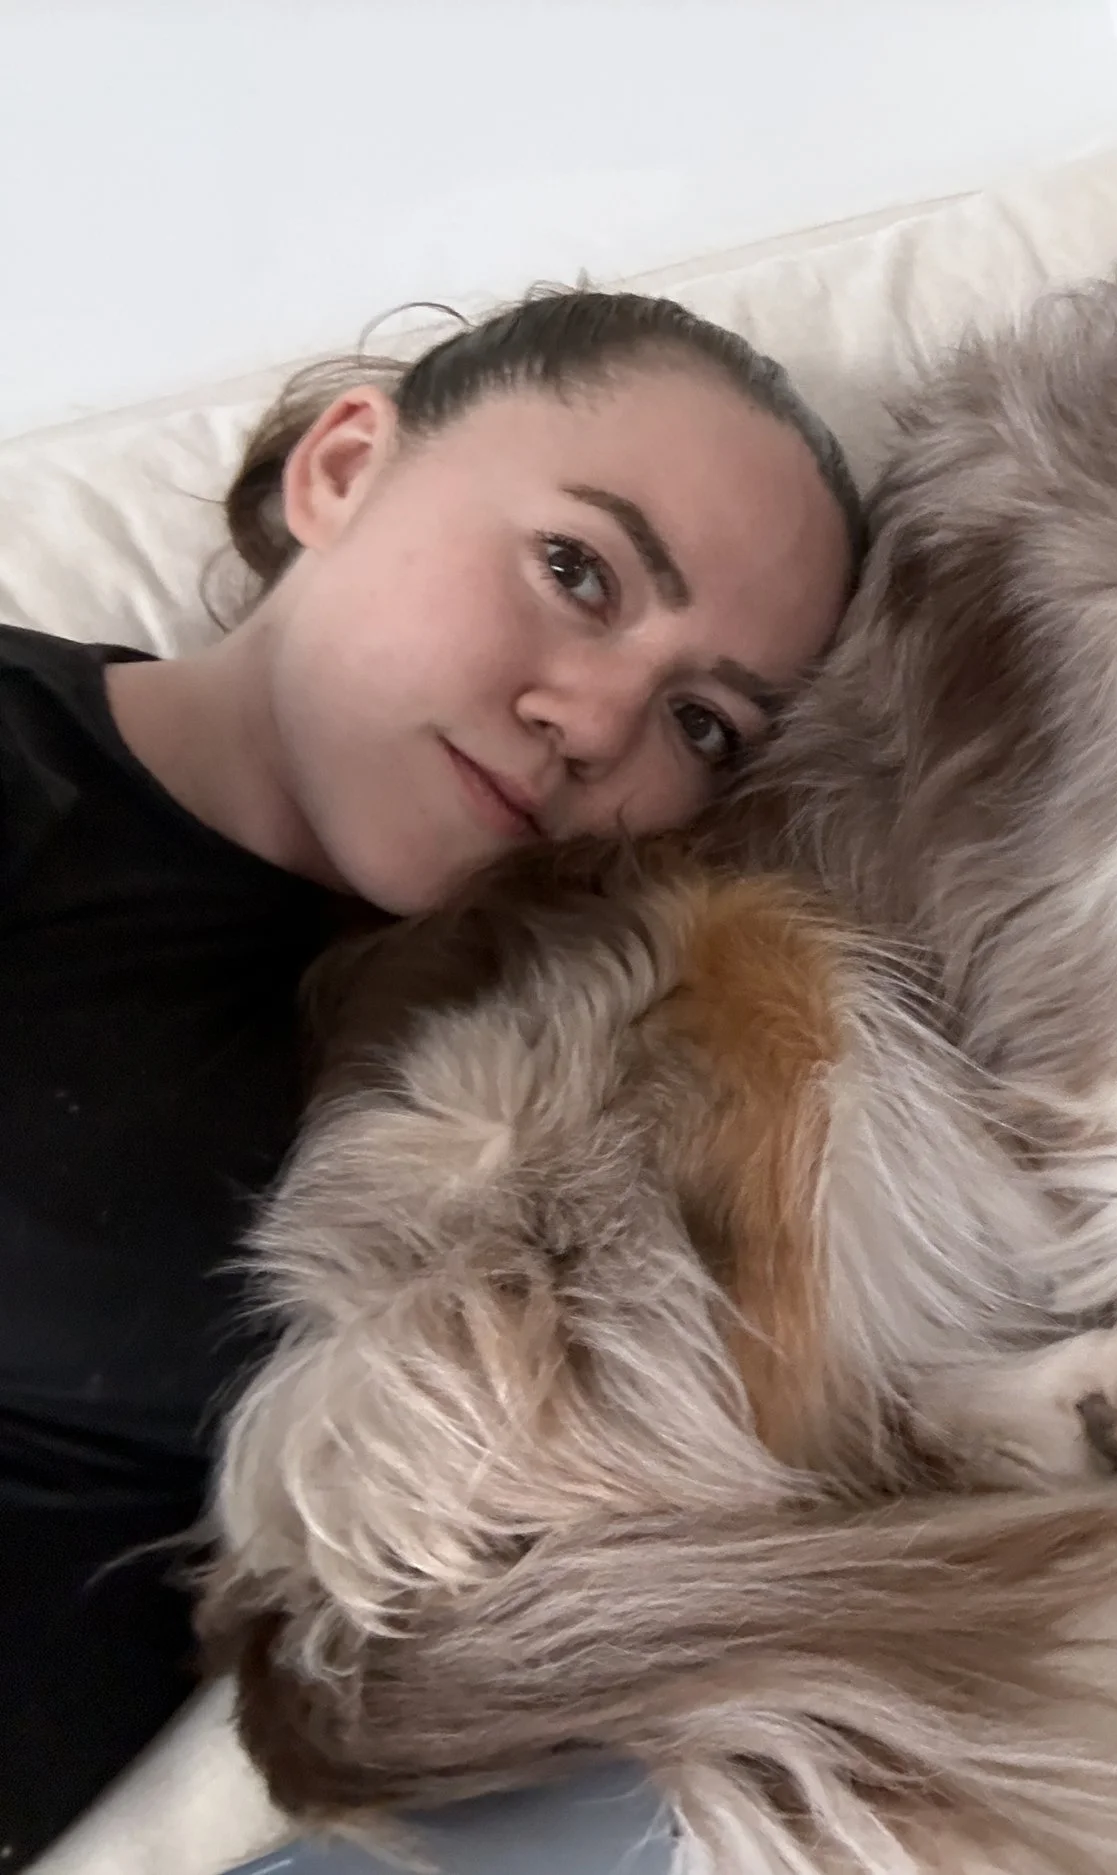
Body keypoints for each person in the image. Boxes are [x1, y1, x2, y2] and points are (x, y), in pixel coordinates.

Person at [0, 288, 864, 1868]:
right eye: (576, 569)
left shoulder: (569, 1036)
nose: (596, 724)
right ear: (342, 469)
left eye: (706, 723)